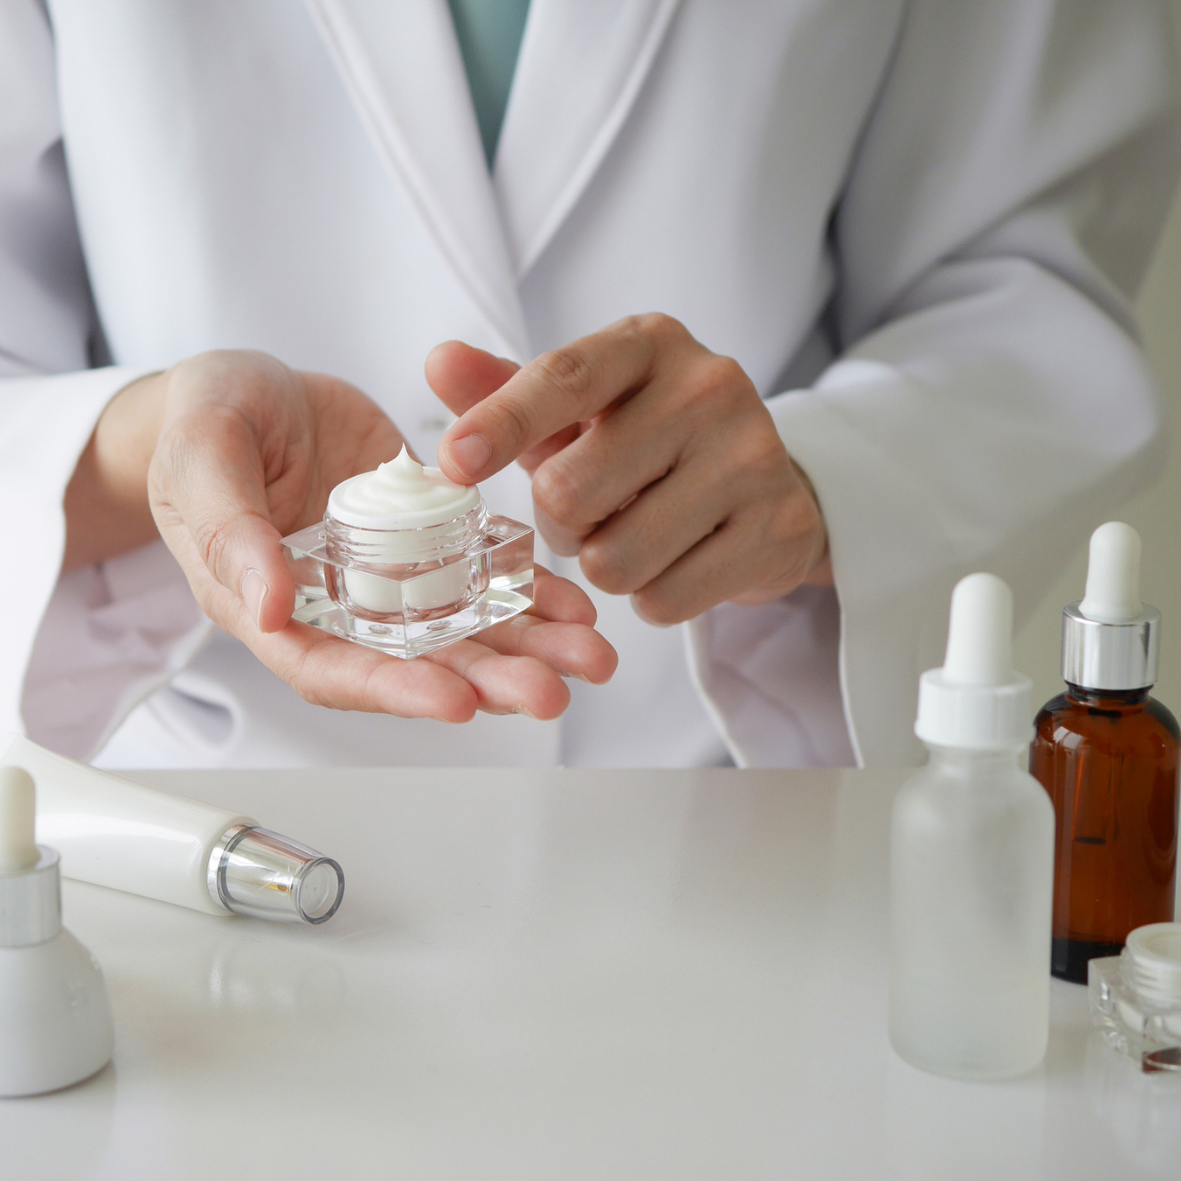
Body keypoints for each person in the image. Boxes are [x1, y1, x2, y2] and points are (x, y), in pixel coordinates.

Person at [1, 1, 1178, 770]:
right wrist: (151, 443)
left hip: (722, 799)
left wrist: (819, 482)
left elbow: (1029, 289)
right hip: (208, 804)